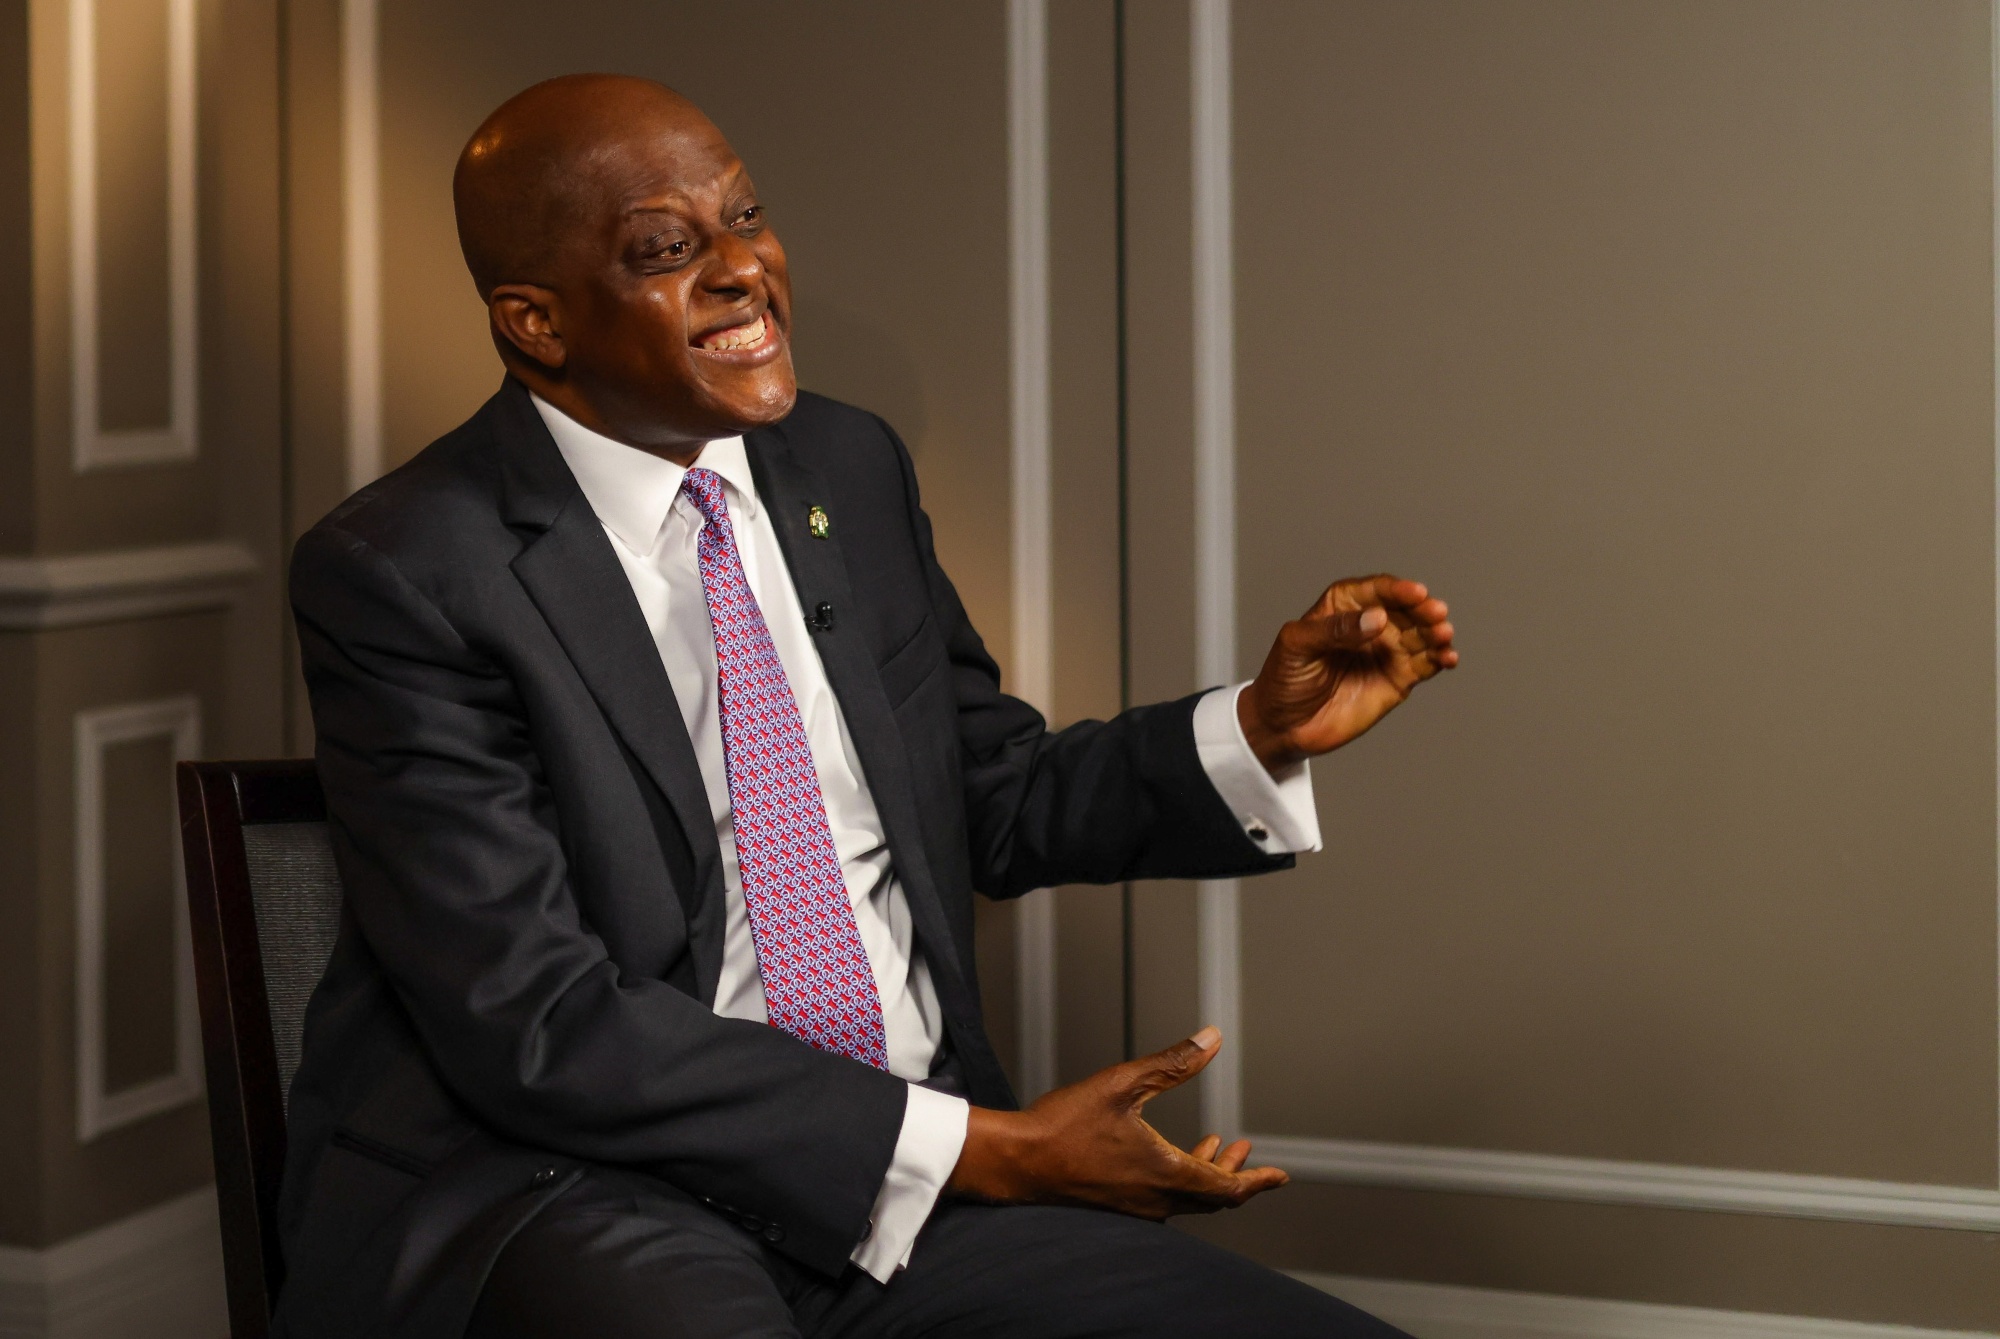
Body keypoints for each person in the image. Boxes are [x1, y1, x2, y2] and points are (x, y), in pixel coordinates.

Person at [280, 73, 1458, 1339]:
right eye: (667, 250)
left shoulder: (846, 466)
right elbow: (537, 1020)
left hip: (906, 1196)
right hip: (579, 1192)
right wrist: (989, 1148)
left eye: (745, 217)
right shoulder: (406, 568)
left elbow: (986, 793)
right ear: (536, 322)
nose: (744, 270)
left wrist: (1256, 729)